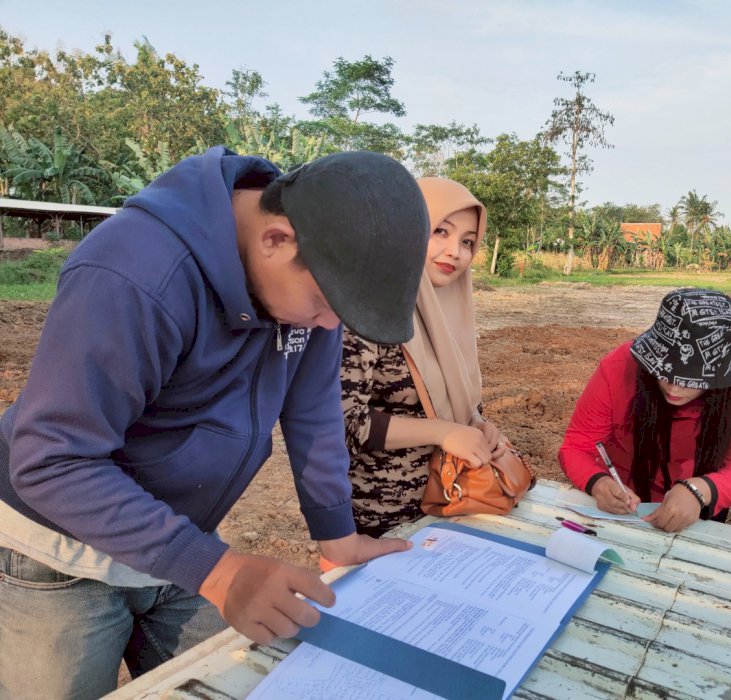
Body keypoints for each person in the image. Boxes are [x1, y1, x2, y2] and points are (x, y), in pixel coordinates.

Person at [0, 147, 430, 698]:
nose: (329, 325)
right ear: (276, 240)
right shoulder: (135, 273)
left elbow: (314, 411)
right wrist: (220, 572)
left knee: (234, 685)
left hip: (179, 535)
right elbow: (51, 459)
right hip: (56, 554)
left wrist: (337, 536)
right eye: (325, 305)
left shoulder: (317, 281)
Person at [341, 177, 507, 537]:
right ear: (406, 229)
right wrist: (444, 432)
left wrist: (476, 424)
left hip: (453, 503)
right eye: (440, 231)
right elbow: (344, 423)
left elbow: (450, 398)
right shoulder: (368, 314)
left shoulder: (450, 312)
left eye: (467, 241)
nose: (455, 252)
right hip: (379, 520)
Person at [559, 288, 731, 532]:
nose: (674, 387)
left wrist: (700, 490)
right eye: (664, 371)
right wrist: (598, 483)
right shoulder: (618, 368)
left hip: (701, 503)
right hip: (626, 504)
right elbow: (576, 447)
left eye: (691, 380)